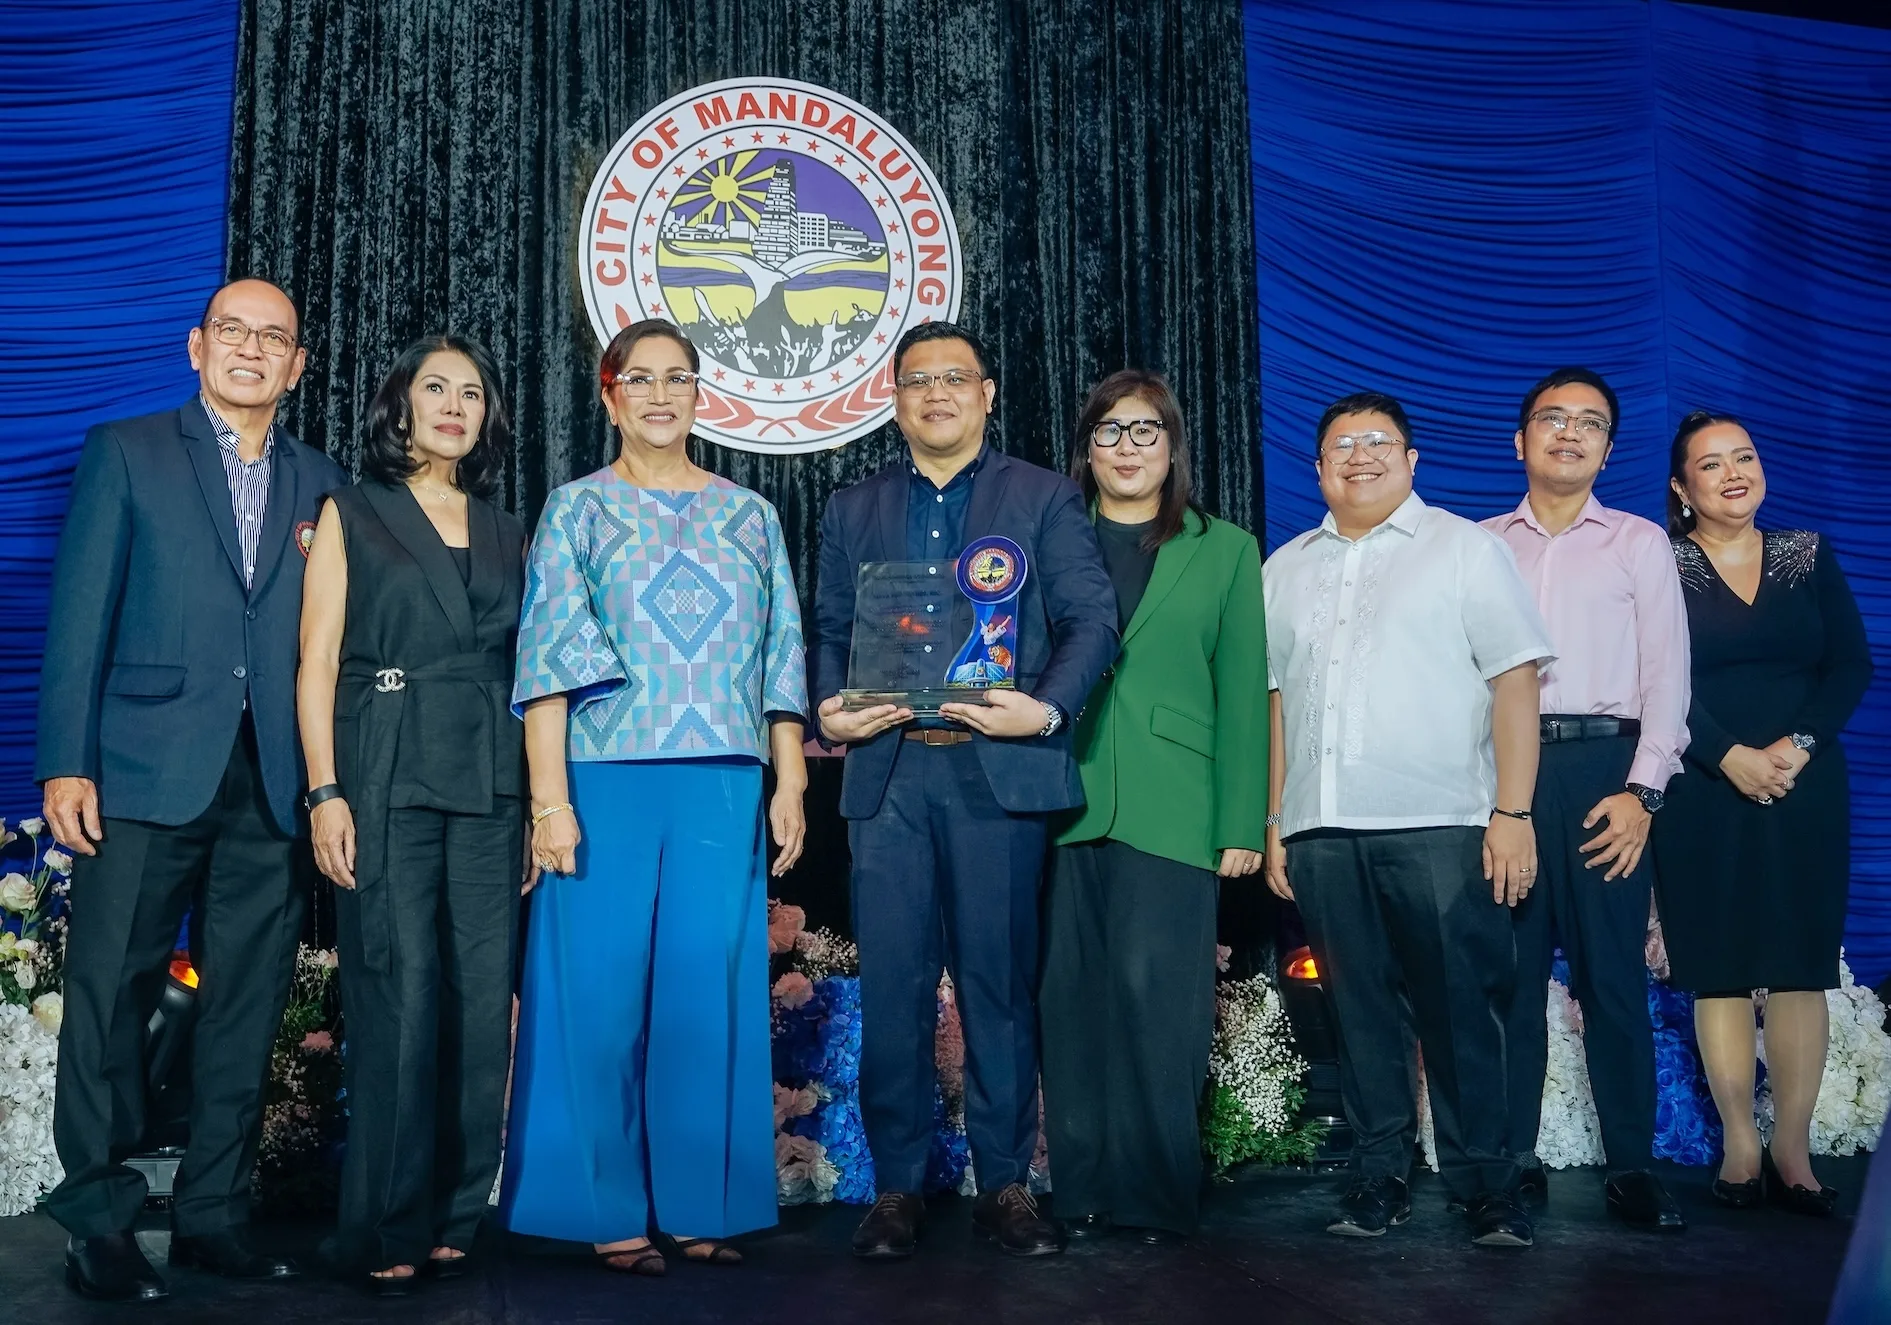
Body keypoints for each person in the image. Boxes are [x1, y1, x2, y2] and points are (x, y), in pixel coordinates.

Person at [35, 278, 344, 1301]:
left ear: (297, 366)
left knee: (246, 1004)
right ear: (197, 345)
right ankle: (99, 1216)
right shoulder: (128, 451)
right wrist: (64, 759)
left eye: (275, 337)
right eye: (234, 330)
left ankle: (215, 1213)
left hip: (269, 781)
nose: (252, 348)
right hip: (139, 767)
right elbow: (82, 612)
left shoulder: (320, 479)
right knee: (109, 996)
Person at [500, 319, 810, 1274]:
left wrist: (788, 774)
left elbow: (780, 658)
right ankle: (603, 1209)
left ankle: (701, 1202)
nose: (662, 394)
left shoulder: (749, 516)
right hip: (602, 780)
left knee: (705, 997)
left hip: (722, 779)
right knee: (592, 998)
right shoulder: (576, 511)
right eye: (642, 379)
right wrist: (549, 802)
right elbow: (546, 663)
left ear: (699, 394)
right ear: (610, 393)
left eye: (680, 378)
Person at [811, 321, 1118, 1259]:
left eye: (954, 378)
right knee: (895, 985)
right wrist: (830, 706)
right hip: (893, 770)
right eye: (916, 381)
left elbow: (1091, 619)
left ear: (987, 393)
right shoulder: (850, 507)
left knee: (996, 983)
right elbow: (827, 626)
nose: (935, 394)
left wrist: (1048, 711)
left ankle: (1007, 1184)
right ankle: (896, 1187)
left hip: (997, 774)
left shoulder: (1043, 495)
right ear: (893, 399)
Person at [1262, 392, 1552, 1249]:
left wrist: (1512, 810)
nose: (1359, 454)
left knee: (1460, 1009)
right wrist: (1277, 817)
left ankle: (1486, 1185)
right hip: (1320, 828)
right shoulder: (1284, 568)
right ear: (1316, 466)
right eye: (1340, 443)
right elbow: (1276, 703)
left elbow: (1514, 680)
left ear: (1411, 458)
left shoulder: (1464, 549)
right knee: (1357, 1013)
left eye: (1377, 440)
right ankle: (1376, 1176)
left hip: (1440, 823)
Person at [296, 336, 526, 1294]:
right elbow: (315, 662)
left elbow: (534, 669)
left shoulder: (512, 528)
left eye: (471, 394)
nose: (453, 404)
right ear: (400, 404)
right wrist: (325, 790)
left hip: (490, 776)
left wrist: (537, 804)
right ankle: (383, 1223)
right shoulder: (351, 510)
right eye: (435, 387)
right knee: (401, 992)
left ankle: (456, 1215)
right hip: (383, 766)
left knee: (481, 1002)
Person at [1039, 370, 1268, 1243]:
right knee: (1071, 998)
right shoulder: (1051, 541)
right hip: (1061, 800)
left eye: (1144, 431)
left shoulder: (1226, 548)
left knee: (1157, 998)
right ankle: (1082, 1186)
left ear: (1172, 446)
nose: (1126, 447)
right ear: (1085, 448)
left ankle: (1155, 1190)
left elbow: (1243, 691)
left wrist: (1239, 822)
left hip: (1177, 801)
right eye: (1108, 431)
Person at [1483, 368, 1690, 1231]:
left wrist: (1642, 790)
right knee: (1511, 977)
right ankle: (1511, 1157)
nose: (1568, 433)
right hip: (1506, 782)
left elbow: (1667, 675)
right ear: (1520, 438)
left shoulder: (1637, 542)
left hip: (1605, 774)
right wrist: (1493, 801)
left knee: (1609, 980)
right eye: (1551, 419)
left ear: (1607, 447)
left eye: (1590, 423)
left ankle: (1631, 1166)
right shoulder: (1480, 545)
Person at [1653, 411, 1871, 1217]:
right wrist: (1728, 756)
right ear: (1682, 488)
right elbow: (1653, 678)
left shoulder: (1805, 555)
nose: (1732, 473)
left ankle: (1792, 1150)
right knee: (1718, 962)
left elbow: (1849, 662)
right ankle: (1741, 1145)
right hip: (1701, 787)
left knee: (1797, 963)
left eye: (1743, 457)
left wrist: (1798, 746)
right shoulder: (1661, 562)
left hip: (1803, 783)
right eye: (1710, 465)